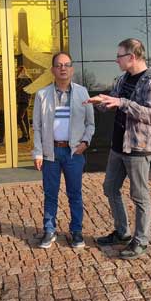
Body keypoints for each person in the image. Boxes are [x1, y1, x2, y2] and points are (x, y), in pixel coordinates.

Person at [85, 39, 151, 259]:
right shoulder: (122, 79)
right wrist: (99, 101)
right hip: (118, 147)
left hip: (138, 148)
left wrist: (122, 103)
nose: (116, 59)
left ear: (132, 57)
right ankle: (122, 233)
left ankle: (141, 240)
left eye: (119, 56)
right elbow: (113, 101)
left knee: (140, 197)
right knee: (110, 188)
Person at [33, 51, 95, 249]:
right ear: (52, 70)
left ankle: (76, 231)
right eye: (59, 65)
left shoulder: (83, 93)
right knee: (50, 194)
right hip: (51, 153)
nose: (63, 68)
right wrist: (38, 152)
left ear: (72, 69)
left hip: (73, 153)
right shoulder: (42, 95)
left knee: (75, 194)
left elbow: (90, 123)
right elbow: (37, 127)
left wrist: (85, 143)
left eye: (66, 64)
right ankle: (49, 230)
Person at [16, 65, 32, 143]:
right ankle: (27, 135)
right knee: (25, 119)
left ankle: (25, 136)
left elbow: (18, 88)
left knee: (19, 118)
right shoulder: (28, 79)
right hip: (25, 101)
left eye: (18, 71)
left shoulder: (23, 80)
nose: (17, 72)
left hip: (23, 101)